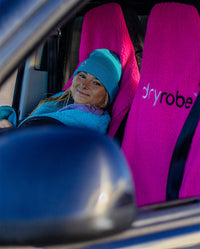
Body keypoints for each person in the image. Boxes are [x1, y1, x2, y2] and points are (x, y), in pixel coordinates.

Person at [0, 49, 122, 133]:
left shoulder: (89, 125)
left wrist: (12, 132)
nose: (84, 85)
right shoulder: (63, 103)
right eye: (82, 76)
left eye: (96, 83)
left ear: (107, 96)